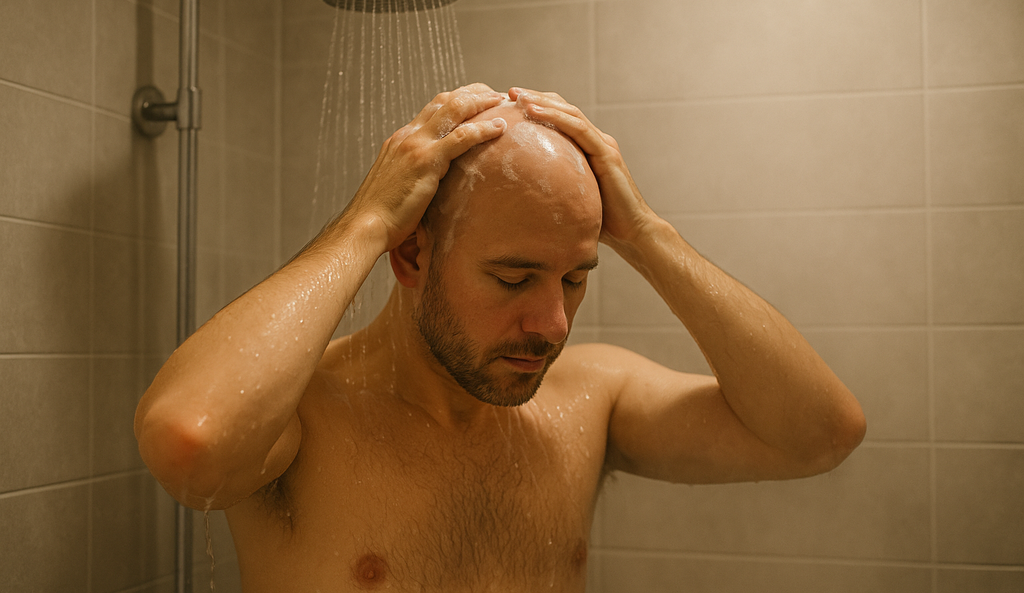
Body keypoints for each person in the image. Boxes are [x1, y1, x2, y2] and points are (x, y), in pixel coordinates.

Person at [135, 83, 866, 592]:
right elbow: (188, 445)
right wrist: (363, 223)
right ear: (412, 254)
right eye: (514, 279)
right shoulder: (304, 414)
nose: (553, 325)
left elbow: (819, 432)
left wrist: (647, 235)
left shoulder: (592, 398)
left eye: (575, 279)